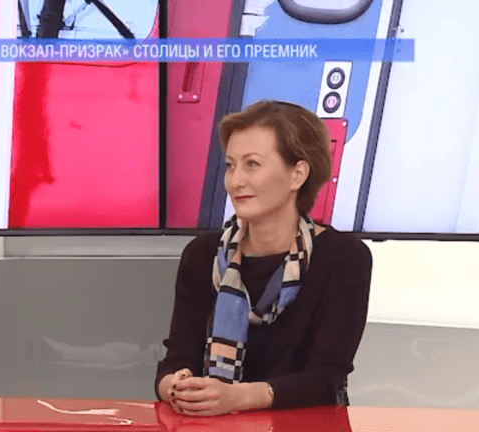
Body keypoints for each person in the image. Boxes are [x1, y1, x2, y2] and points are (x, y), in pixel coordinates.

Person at [155, 100, 372, 416]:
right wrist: (178, 386)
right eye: (230, 165)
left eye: (252, 164)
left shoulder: (344, 257)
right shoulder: (202, 255)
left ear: (297, 174)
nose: (235, 181)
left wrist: (237, 397)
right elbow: (175, 362)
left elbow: (326, 380)